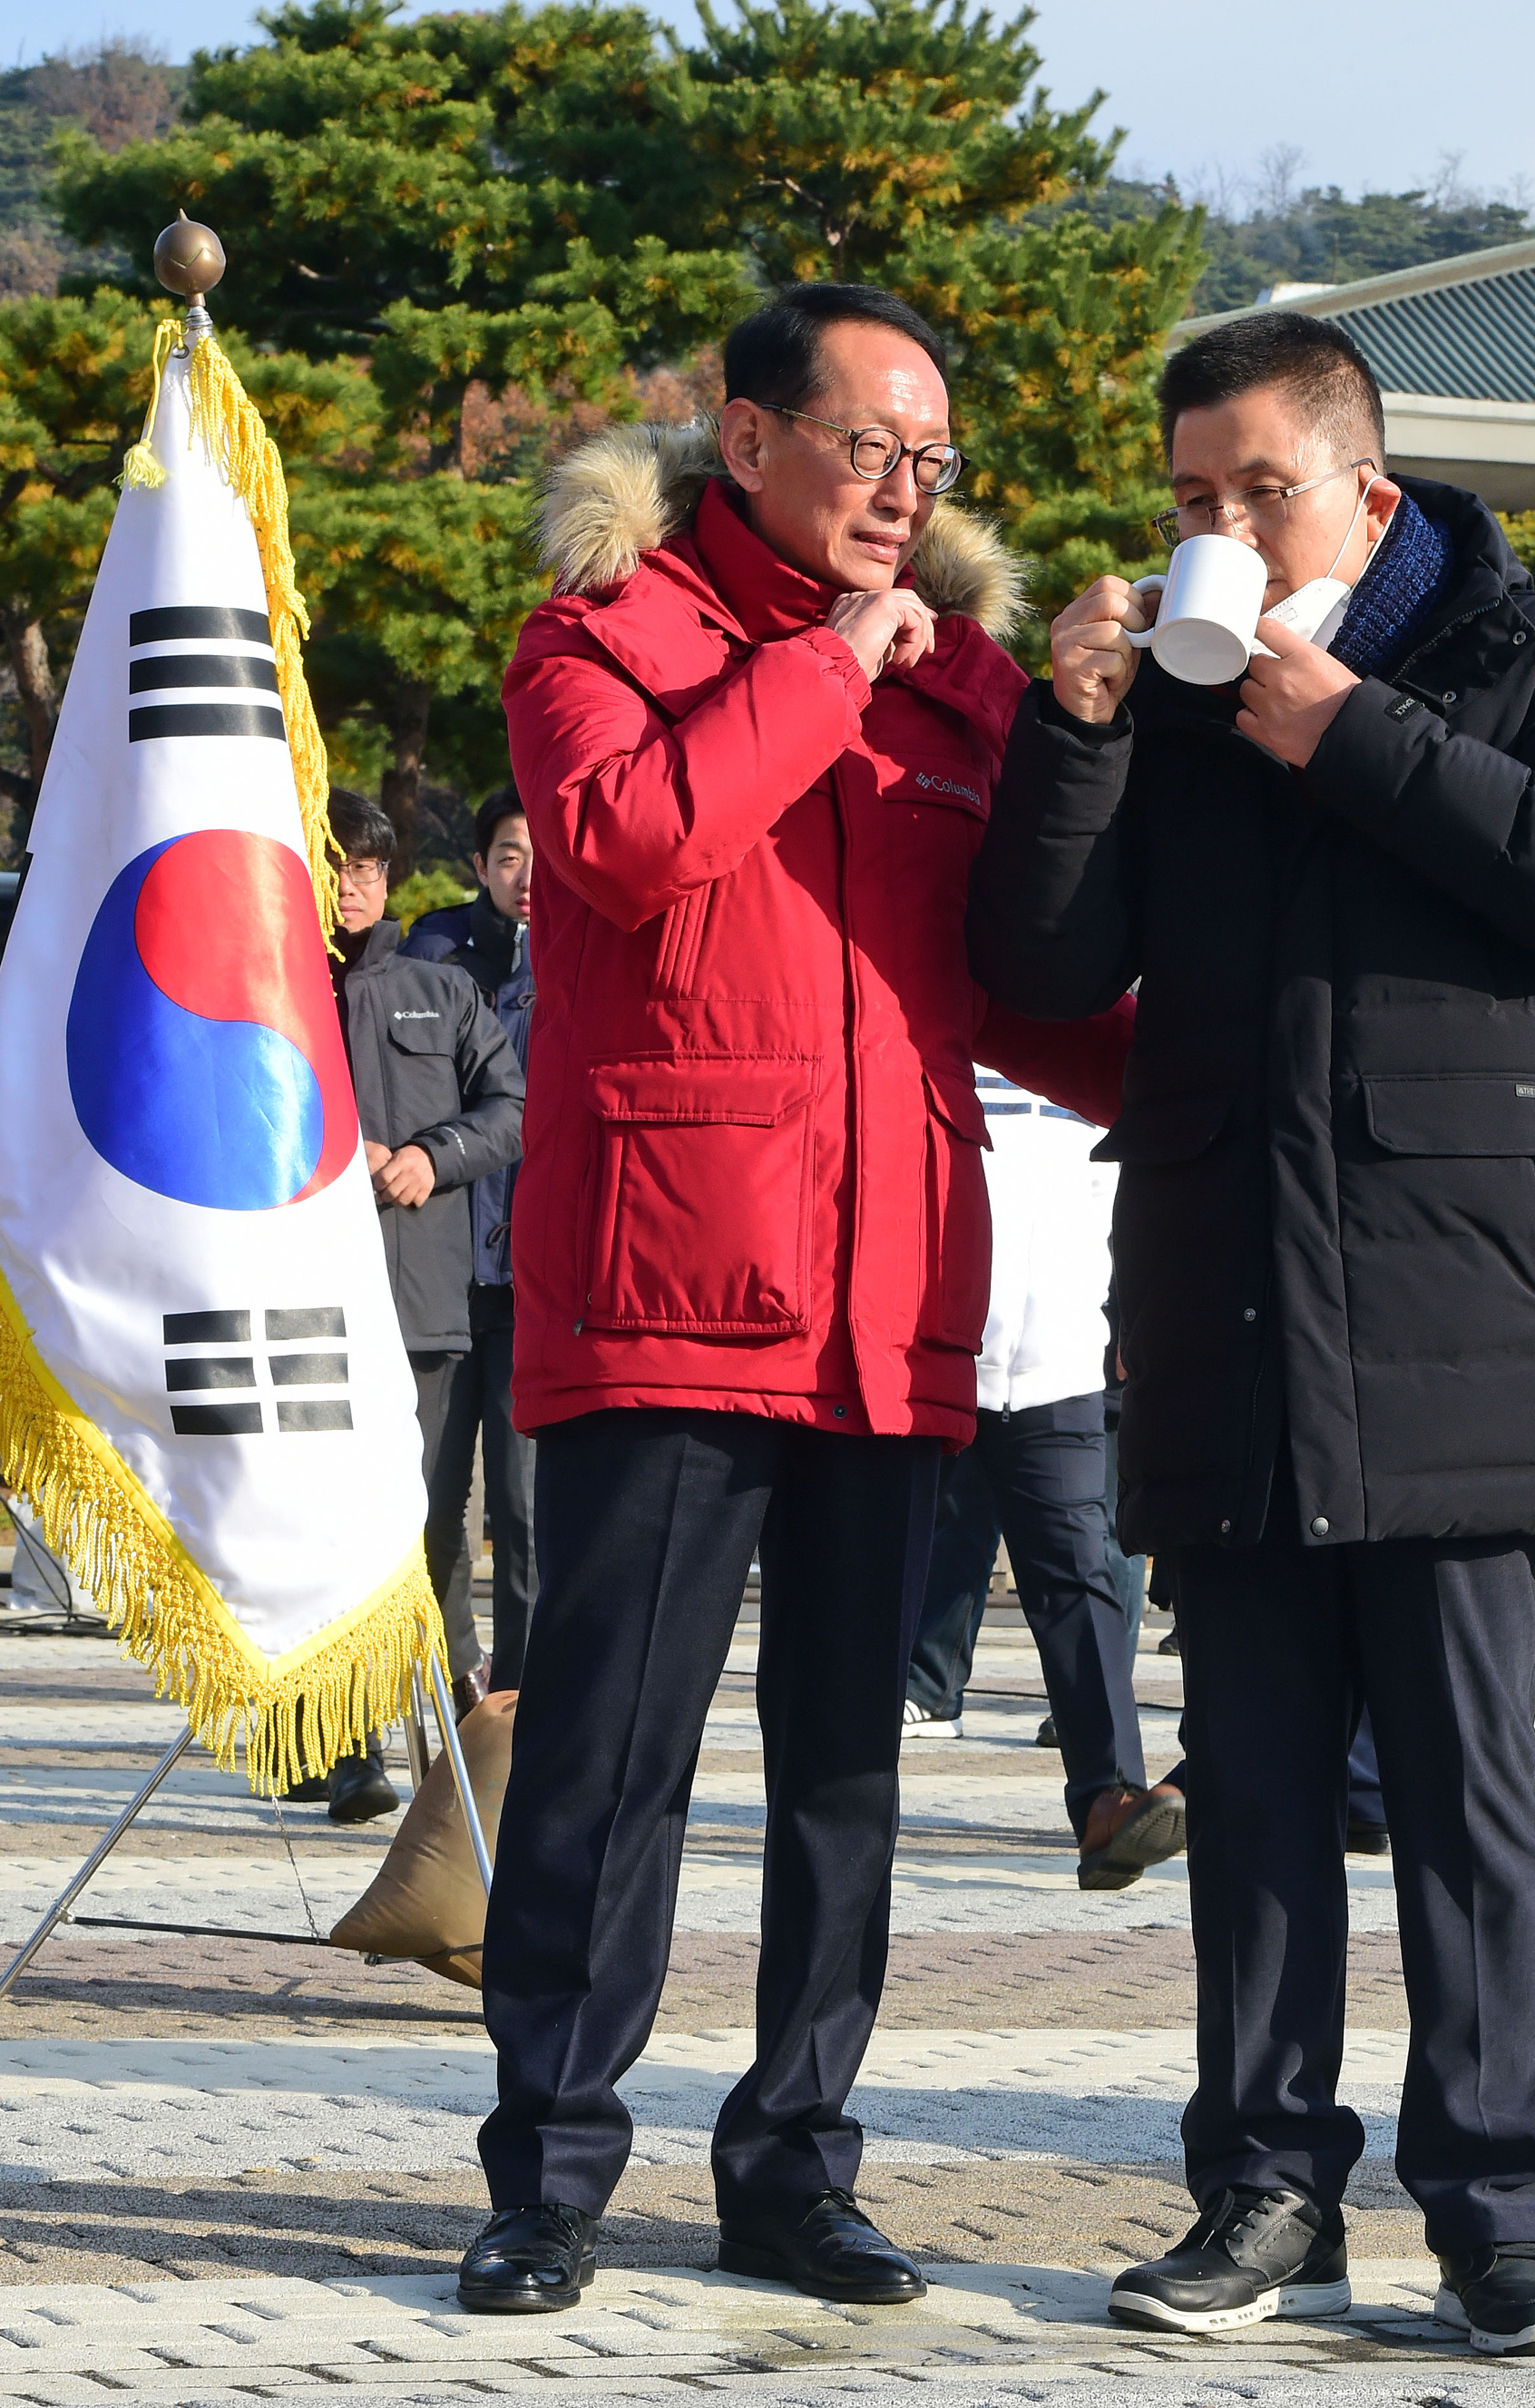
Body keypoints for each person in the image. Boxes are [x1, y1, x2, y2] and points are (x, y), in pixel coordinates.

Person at [967, 310, 1535, 2356]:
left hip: (1464, 1322)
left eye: (1259, 492)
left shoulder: (1534, 653)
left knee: (1466, 1799)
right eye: (1190, 496)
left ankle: (1497, 2218)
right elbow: (1037, 958)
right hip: (1231, 1311)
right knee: (1258, 1801)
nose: (1221, 527)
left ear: (1364, 495)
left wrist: (1347, 726)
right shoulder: (1169, 703)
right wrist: (1078, 729)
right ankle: (1264, 2190)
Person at [460, 283, 1131, 2316]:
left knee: (851, 1764)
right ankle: (551, 2169)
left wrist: (1218, 1085)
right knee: (609, 1758)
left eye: (933, 461)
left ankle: (795, 2164)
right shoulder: (603, 636)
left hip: (891, 1292)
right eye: (869, 447)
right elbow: (631, 842)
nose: (904, 491)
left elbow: (1025, 979)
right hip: (668, 1284)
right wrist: (831, 662)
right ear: (747, 437)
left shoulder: (970, 686)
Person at [902, 1066, 1183, 1888]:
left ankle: (1110, 1799)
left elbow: (1132, 1203)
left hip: (1058, 1367)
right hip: (922, 1359)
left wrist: (1133, 1324)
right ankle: (837, 1803)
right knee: (883, 1577)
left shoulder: (1093, 1036)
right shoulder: (932, 1025)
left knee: (1081, 1579)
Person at [321, 788, 524, 1792]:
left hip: (425, 1309)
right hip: (314, 1312)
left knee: (433, 1527)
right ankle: (346, 1744)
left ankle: (456, 1738)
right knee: (335, 1527)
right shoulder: (269, 995)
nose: (349, 886)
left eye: (365, 867)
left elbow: (511, 1108)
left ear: (389, 877)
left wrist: (430, 1156)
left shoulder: (438, 990)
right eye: (332, 866)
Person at [402, 790, 540, 1689]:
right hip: (445, 1274)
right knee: (432, 1503)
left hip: (535, 1284)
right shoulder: (434, 956)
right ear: (480, 865)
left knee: (526, 1511)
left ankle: (523, 1699)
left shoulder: (587, 948)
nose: (527, 876)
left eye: (541, 854)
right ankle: (458, 1676)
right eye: (509, 855)